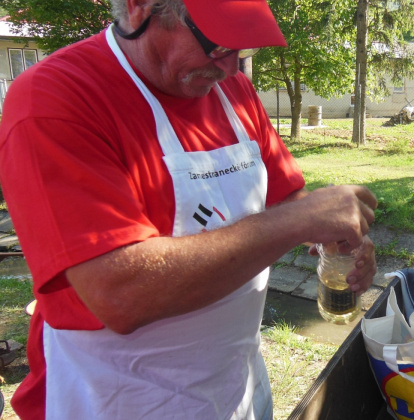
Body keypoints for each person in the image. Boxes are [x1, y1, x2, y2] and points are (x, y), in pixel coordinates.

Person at [0, 0, 378, 418]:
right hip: (121, 398)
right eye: (218, 46)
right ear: (139, 8)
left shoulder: (230, 90)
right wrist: (296, 222)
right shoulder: (55, 100)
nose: (232, 68)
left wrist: (331, 233)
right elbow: (120, 293)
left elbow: (285, 199)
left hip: (236, 384)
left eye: (244, 50)